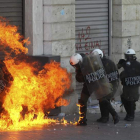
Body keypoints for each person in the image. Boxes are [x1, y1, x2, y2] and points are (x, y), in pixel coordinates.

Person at [93, 49, 120, 124]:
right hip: (108, 84)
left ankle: (115, 115)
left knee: (104, 100)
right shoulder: (106, 62)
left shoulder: (104, 63)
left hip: (110, 84)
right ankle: (104, 117)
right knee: (102, 99)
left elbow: (102, 75)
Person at [117, 48, 140, 121]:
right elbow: (117, 67)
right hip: (126, 85)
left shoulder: (137, 64)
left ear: (133, 56)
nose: (128, 58)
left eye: (129, 56)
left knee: (131, 100)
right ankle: (129, 113)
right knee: (124, 99)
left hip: (134, 86)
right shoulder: (125, 63)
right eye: (127, 56)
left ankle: (131, 115)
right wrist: (120, 63)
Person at [70, 53, 89, 126]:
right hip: (88, 84)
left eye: (76, 66)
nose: (76, 67)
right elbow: (79, 78)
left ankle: (114, 115)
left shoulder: (87, 63)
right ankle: (83, 119)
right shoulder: (79, 63)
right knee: (83, 100)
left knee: (103, 99)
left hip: (95, 82)